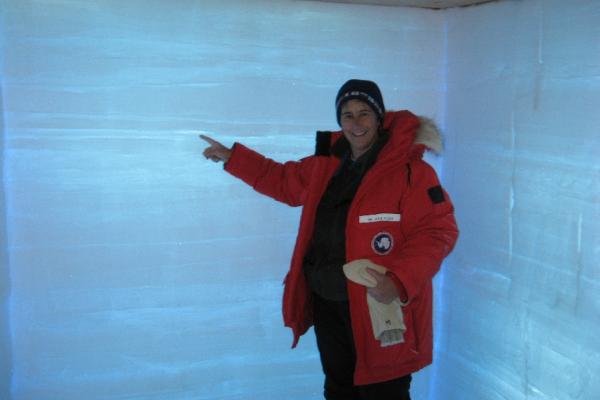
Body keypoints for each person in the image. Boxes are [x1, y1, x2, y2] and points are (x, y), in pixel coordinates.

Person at [201, 79, 459, 400]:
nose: (356, 123)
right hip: (329, 301)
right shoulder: (326, 166)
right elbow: (282, 180)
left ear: (379, 118)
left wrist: (399, 279)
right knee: (339, 391)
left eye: (364, 113)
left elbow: (438, 231)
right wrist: (232, 158)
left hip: (379, 306)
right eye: (347, 114)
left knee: (384, 392)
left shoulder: (412, 173)